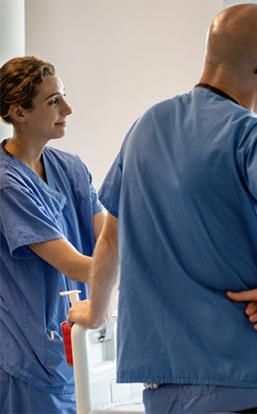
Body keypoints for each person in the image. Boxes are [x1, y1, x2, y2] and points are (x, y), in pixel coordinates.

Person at [67, 4, 257, 414]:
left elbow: (110, 242)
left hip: (164, 384)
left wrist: (95, 312)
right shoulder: (250, 132)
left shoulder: (147, 126)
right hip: (247, 379)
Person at [0, 56, 105, 413]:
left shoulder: (70, 167)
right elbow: (76, 266)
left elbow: (109, 239)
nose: (68, 108)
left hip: (77, 346)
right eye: (53, 101)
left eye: (63, 96)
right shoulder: (7, 185)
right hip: (28, 355)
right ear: (19, 112)